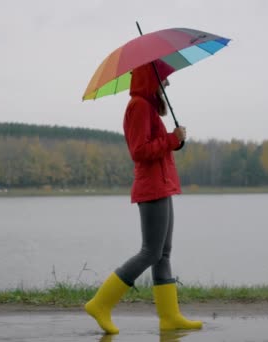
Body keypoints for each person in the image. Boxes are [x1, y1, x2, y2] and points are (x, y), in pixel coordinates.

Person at [84, 60, 202, 335]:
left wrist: (175, 140)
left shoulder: (149, 107)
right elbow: (139, 151)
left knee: (163, 253)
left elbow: (156, 147)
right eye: (164, 77)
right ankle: (100, 304)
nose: (168, 83)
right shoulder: (138, 106)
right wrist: (172, 140)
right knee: (151, 251)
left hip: (162, 185)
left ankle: (170, 317)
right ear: (152, 78)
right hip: (151, 188)